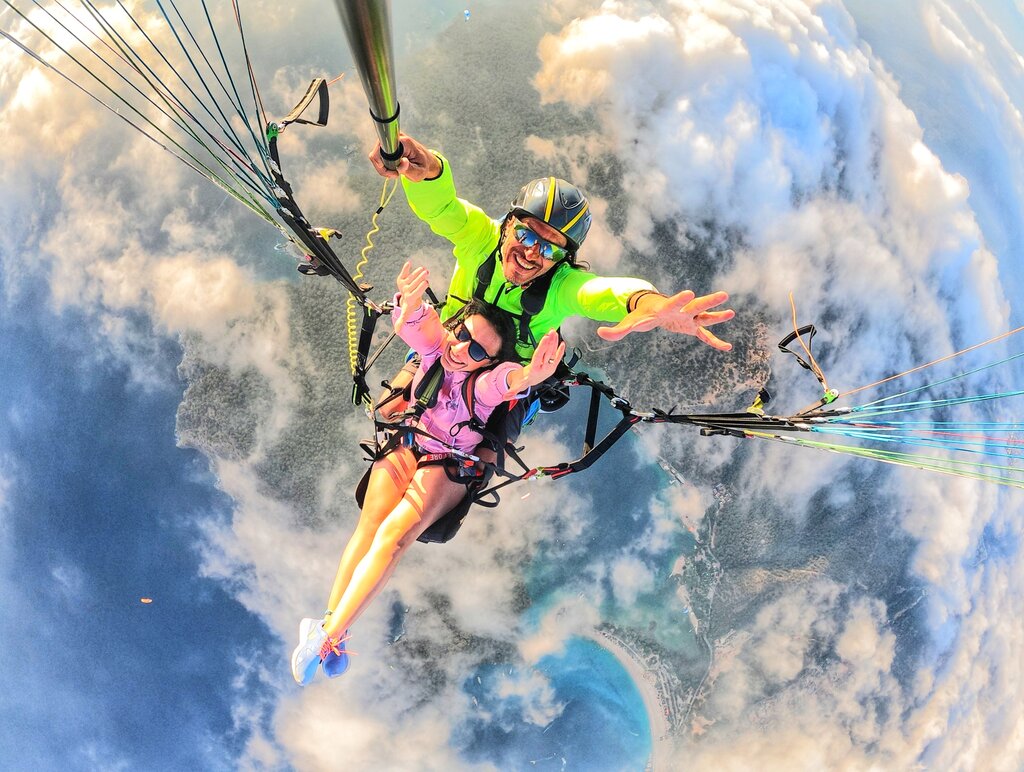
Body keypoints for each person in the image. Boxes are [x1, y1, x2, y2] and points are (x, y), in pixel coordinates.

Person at [291, 261, 565, 685]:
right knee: (369, 527)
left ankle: (327, 637)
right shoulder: (437, 350)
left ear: (487, 362)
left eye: (476, 351)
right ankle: (330, 627)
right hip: (411, 438)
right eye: (462, 334)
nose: (461, 348)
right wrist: (410, 302)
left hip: (450, 460)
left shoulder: (484, 386)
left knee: (395, 536)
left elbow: (507, 382)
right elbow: (419, 328)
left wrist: (532, 375)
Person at [368, 133, 736, 435]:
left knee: (470, 468)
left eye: (549, 248)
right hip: (449, 347)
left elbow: (599, 293)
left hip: (509, 377)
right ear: (508, 224)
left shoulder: (560, 285)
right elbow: (445, 210)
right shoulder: (481, 239)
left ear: (563, 258)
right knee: (389, 411)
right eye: (527, 236)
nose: (532, 254)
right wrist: (429, 173)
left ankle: (518, 409)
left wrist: (648, 305)